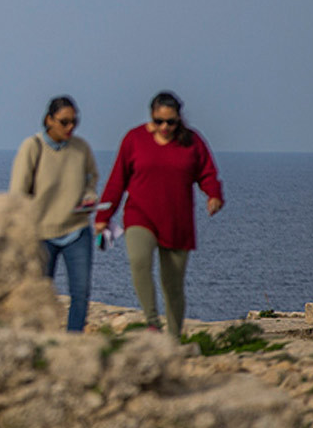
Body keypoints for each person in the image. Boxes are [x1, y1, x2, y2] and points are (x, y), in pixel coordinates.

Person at [95, 91, 224, 338]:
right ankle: (152, 322)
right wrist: (103, 215)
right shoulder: (134, 139)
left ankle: (174, 338)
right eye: (159, 121)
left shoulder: (192, 141)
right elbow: (117, 180)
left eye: (170, 122)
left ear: (179, 119)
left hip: (177, 222)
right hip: (140, 216)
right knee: (139, 261)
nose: (164, 127)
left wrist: (213, 195)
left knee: (172, 284)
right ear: (151, 117)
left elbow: (207, 172)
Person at [9, 96, 100, 332]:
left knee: (80, 293)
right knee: (39, 292)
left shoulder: (82, 148)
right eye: (64, 122)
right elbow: (17, 193)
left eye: (74, 122)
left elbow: (91, 178)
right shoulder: (33, 147)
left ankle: (73, 343)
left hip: (76, 230)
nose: (70, 127)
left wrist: (90, 197)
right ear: (49, 120)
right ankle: (37, 340)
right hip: (41, 233)